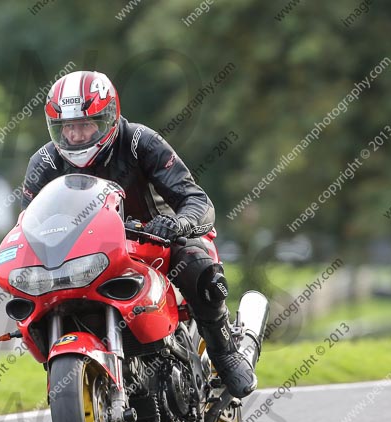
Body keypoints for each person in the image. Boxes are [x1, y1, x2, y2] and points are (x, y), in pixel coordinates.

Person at [20, 70, 257, 399]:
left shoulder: (139, 142)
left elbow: (196, 199)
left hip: (154, 244)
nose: (75, 136)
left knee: (197, 266)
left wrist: (178, 224)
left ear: (108, 118)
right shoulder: (44, 162)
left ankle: (223, 352)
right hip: (87, 257)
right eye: (67, 127)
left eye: (85, 124)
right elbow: (28, 223)